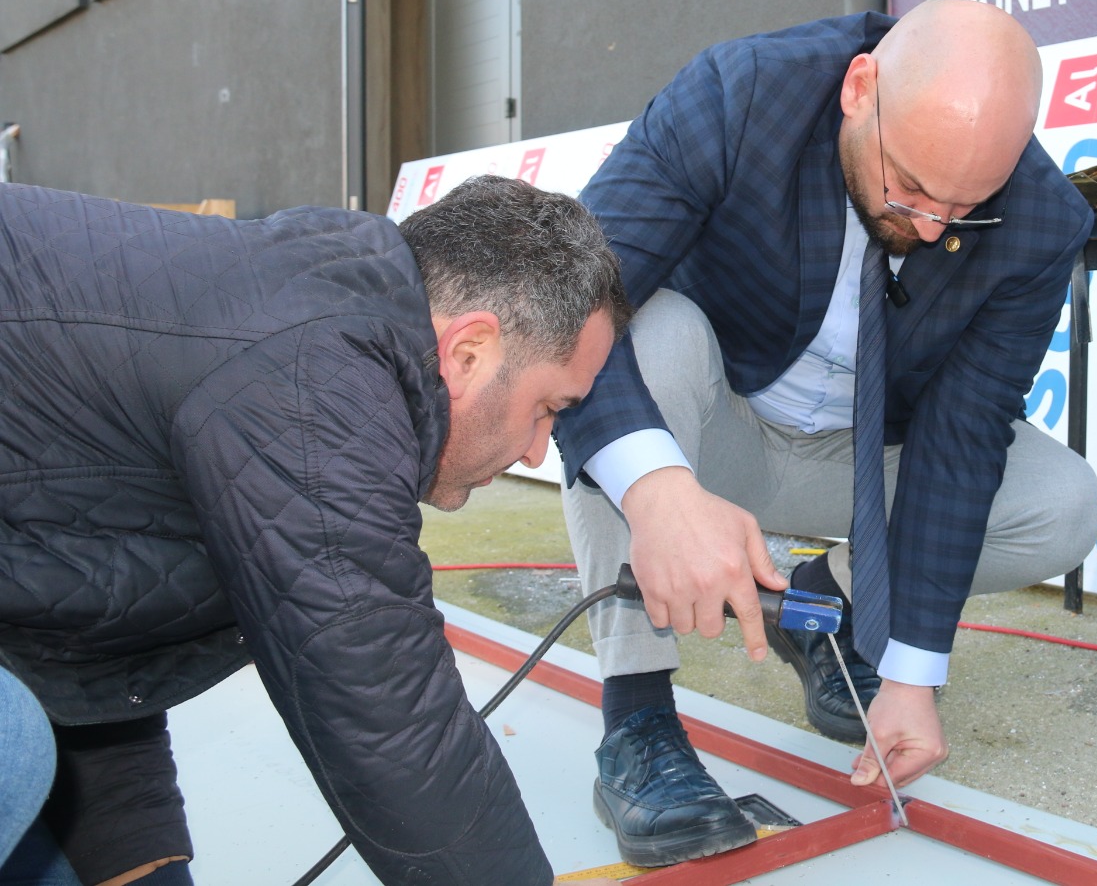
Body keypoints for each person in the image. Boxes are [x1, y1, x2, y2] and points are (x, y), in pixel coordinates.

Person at [554, 0, 1097, 867]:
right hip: (712, 425)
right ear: (860, 88)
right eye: (912, 187)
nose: (930, 229)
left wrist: (917, 674)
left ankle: (826, 607)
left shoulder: (1043, 219)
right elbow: (574, 298)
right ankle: (638, 720)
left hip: (859, 454)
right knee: (634, 331)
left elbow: (964, 436)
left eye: (964, 209)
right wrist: (658, 491)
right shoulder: (743, 94)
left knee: (1061, 504)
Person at [0, 176, 631, 885]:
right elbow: (391, 721)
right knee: (14, 747)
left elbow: (86, 632)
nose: (539, 449)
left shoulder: (315, 315)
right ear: (467, 352)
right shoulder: (320, 378)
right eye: (548, 406)